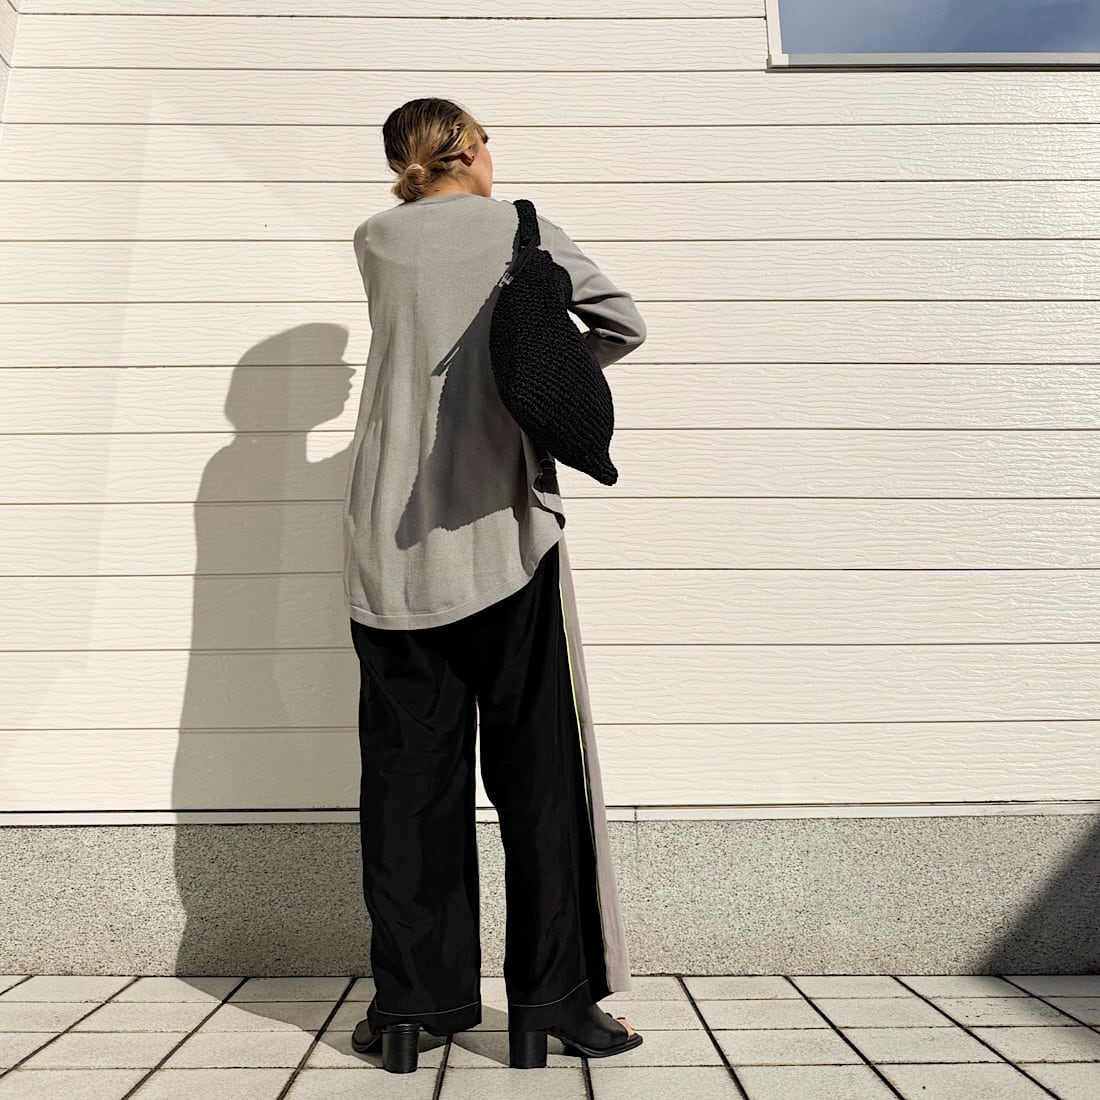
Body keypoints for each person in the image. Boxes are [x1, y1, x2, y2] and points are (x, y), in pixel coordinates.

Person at [342, 97, 648, 1073]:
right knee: (537, 781)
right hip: (503, 537)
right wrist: (544, 379)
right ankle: (550, 1006)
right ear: (468, 148)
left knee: (407, 789)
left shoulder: (373, 239)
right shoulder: (519, 225)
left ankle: (411, 1009)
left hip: (386, 553)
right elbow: (621, 321)